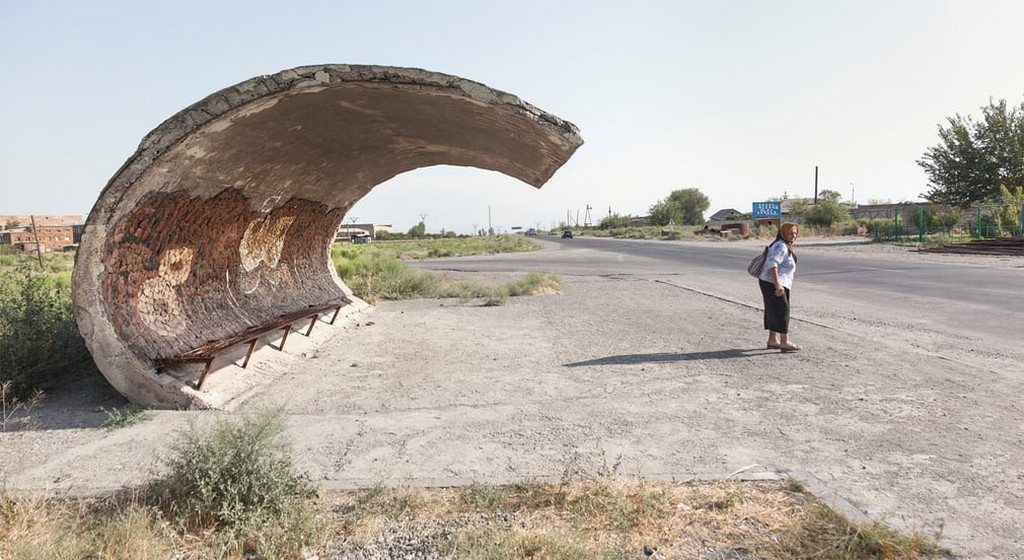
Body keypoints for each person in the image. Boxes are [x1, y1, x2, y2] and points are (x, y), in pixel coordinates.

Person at [758, 222, 800, 352]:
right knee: (783, 310)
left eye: (795, 233)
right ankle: (784, 342)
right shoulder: (781, 246)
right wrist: (778, 285)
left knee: (774, 310)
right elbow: (772, 264)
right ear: (784, 233)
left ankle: (772, 340)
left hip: (774, 282)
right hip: (774, 283)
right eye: (791, 233)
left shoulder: (785, 245)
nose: (793, 235)